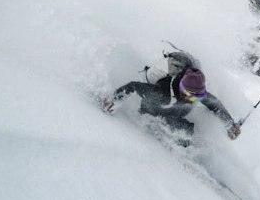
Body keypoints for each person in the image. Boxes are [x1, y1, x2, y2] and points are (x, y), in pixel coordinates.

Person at [102, 50, 242, 141]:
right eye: (192, 97)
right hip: (153, 110)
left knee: (187, 133)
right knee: (166, 121)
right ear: (182, 90)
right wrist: (113, 100)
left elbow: (215, 105)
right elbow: (133, 86)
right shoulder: (161, 92)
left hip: (173, 111)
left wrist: (230, 125)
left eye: (198, 97)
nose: (194, 100)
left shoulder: (195, 93)